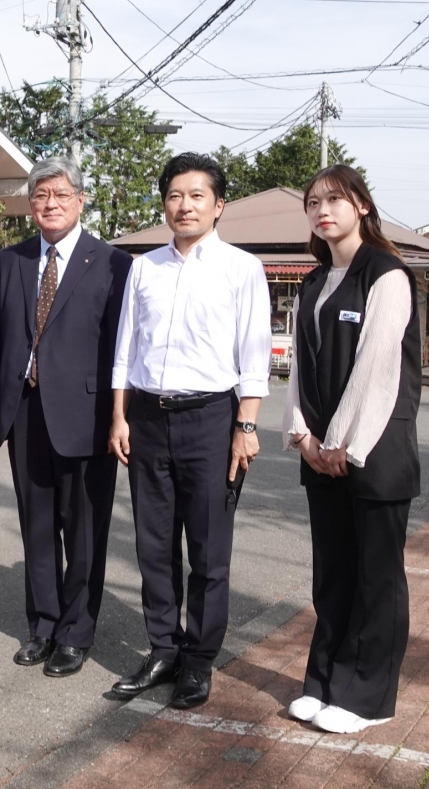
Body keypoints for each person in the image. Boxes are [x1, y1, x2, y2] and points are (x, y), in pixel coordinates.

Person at [107, 153, 271, 709]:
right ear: (165, 205)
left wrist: (245, 426)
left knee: (208, 551)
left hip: (212, 419)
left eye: (197, 195)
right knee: (153, 545)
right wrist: (119, 417)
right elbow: (125, 348)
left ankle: (199, 661)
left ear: (219, 205)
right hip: (148, 417)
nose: (185, 205)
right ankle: (163, 649)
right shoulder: (143, 268)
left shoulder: (242, 269)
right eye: (175, 195)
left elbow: (254, 356)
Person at [0, 156, 133, 678]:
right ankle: (42, 626)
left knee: (83, 532)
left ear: (81, 200)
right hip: (25, 412)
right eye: (41, 196)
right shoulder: (12, 260)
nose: (50, 204)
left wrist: (120, 414)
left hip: (87, 416)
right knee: (37, 526)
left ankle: (76, 631)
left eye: (61, 195)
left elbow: (120, 347)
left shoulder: (112, 262)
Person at [282, 164, 421, 735]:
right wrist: (302, 436)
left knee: (376, 581)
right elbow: (297, 368)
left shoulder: (386, 274)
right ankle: (325, 684)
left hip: (374, 455)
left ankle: (368, 699)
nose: (323, 209)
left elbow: (378, 368)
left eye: (335, 199)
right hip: (321, 454)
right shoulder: (314, 283)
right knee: (333, 575)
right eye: (314, 201)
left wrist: (340, 442)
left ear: (361, 205)